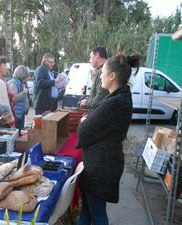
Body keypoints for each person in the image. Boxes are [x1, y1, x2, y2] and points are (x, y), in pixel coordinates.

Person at [76, 53, 141, 225]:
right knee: (89, 210)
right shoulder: (119, 97)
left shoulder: (114, 102)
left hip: (101, 167)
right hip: (104, 163)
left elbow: (84, 131)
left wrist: (84, 121)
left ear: (112, 76)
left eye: (103, 73)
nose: (101, 76)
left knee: (96, 213)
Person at [78, 46, 110, 111]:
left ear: (97, 56)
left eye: (91, 57)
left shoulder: (102, 71)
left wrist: (86, 103)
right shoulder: (105, 69)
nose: (89, 60)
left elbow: (100, 98)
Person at [8, 65, 30, 133]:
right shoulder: (13, 83)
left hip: (20, 114)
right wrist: (23, 93)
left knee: (20, 133)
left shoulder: (22, 83)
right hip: (16, 115)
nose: (29, 77)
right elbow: (12, 98)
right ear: (23, 75)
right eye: (27, 75)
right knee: (16, 134)